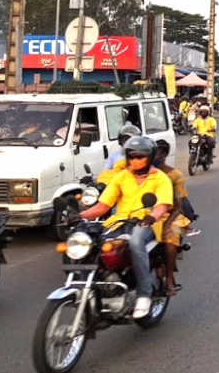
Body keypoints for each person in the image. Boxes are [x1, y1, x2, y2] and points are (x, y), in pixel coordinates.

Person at [79, 135, 173, 319]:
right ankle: (97, 287)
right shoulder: (121, 176)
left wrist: (152, 216)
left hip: (147, 224)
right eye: (132, 156)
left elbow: (162, 205)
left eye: (140, 157)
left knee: (135, 241)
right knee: (90, 242)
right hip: (120, 222)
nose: (135, 161)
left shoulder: (160, 178)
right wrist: (79, 216)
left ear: (150, 157)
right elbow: (104, 205)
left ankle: (144, 295)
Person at [153, 140, 196, 297]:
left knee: (170, 239)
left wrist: (167, 224)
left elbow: (179, 205)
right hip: (145, 214)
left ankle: (170, 277)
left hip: (171, 214)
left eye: (155, 153)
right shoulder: (143, 173)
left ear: (164, 155)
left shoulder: (175, 175)